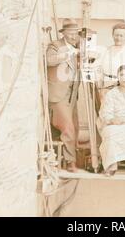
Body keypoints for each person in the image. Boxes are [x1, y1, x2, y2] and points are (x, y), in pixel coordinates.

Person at [46, 18, 81, 173]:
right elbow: (48, 60)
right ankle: (70, 162)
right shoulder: (56, 46)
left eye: (76, 33)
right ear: (64, 33)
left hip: (72, 94)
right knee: (68, 128)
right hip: (57, 93)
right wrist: (67, 54)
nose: (74, 36)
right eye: (71, 33)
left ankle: (54, 159)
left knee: (75, 127)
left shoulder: (78, 47)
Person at [97, 23, 125, 99]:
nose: (118, 38)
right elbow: (100, 72)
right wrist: (100, 89)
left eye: (121, 35)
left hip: (124, 88)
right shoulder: (106, 51)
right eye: (116, 35)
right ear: (112, 35)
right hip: (107, 88)